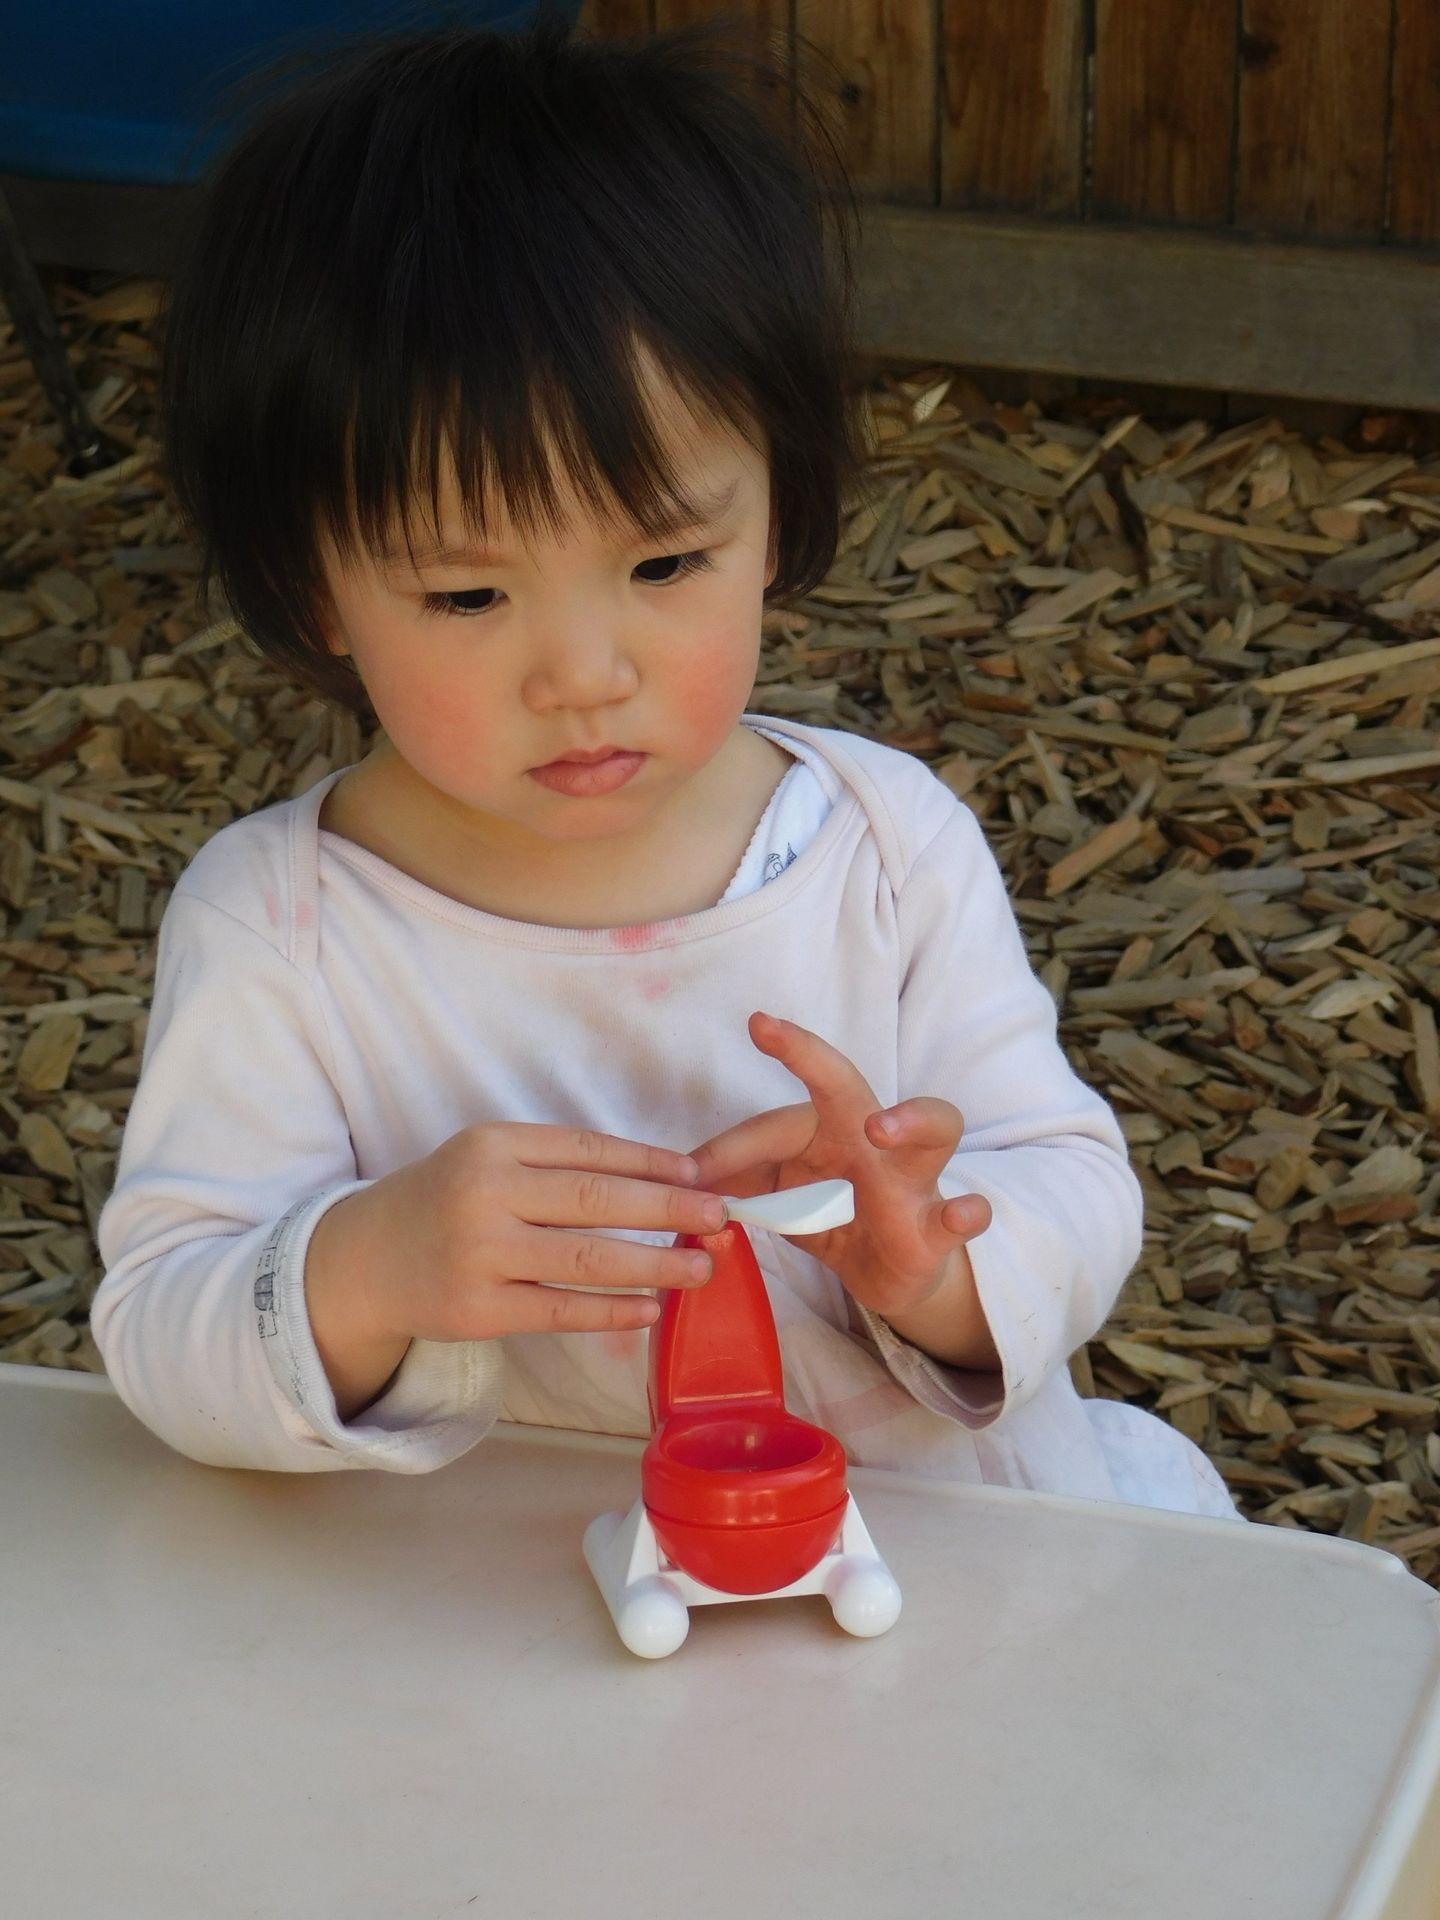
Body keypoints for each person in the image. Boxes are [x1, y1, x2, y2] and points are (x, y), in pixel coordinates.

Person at [92, 9, 1242, 1523]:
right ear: (316, 592)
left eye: (665, 562)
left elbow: (1066, 1173)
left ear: (776, 518)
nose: (584, 671)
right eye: (466, 595)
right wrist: (365, 1264)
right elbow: (167, 1325)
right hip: (507, 1603)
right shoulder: (284, 928)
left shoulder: (879, 849)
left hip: (931, 1552)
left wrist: (942, 1260)